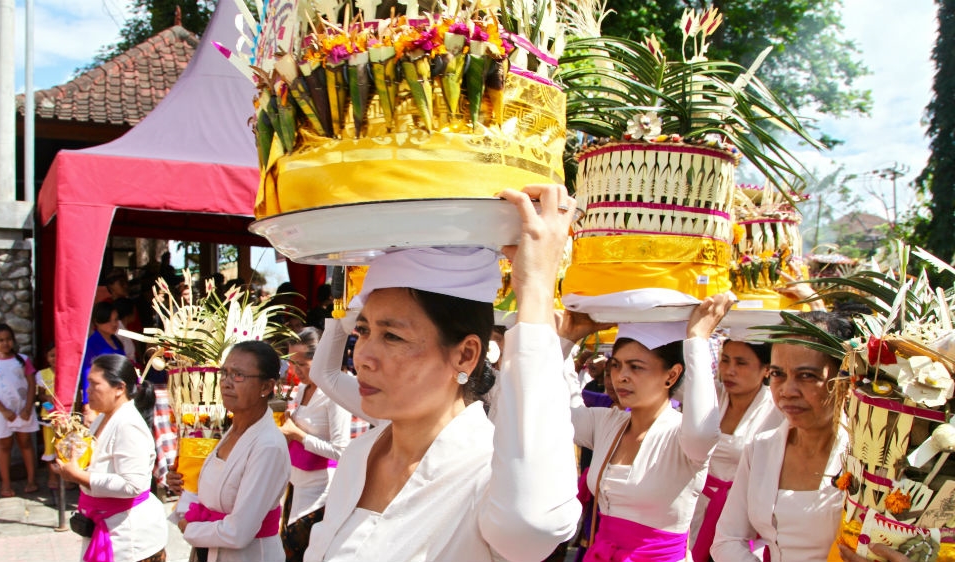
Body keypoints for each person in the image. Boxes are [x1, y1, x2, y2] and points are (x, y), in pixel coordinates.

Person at [304, 185, 581, 561]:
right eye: (364, 330)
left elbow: (535, 523)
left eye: (393, 336)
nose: (364, 356)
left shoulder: (487, 471)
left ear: (466, 355)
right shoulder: (360, 454)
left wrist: (536, 291)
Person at [564, 293, 733, 562]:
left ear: (672, 375)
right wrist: (566, 341)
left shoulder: (683, 436)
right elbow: (545, 409)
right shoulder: (607, 422)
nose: (622, 376)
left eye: (636, 367)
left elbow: (703, 429)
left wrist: (697, 340)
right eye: (616, 365)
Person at [711, 311, 853, 562]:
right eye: (778, 374)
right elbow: (727, 539)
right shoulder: (761, 449)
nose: (788, 391)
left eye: (807, 376)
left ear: (843, 378)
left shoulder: (863, 458)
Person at [169, 340, 291, 562]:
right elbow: (216, 492)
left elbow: (239, 532)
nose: (226, 382)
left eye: (238, 375)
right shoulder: (234, 430)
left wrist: (188, 527)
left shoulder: (268, 446)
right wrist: (184, 485)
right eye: (224, 373)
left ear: (266, 387)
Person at [55, 354, 168, 562]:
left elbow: (133, 484)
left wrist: (80, 476)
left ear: (119, 388)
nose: (87, 391)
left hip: (131, 538)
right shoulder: (101, 419)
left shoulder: (129, 425)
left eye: (94, 384)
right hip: (108, 526)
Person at [688, 338, 782, 561]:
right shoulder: (709, 397)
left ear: (766, 370)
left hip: (742, 514)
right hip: (696, 502)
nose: (729, 371)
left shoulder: (777, 410)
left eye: (741, 363)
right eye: (725, 360)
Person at [279, 328, 351, 561]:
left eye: (302, 363)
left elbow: (341, 451)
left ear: (321, 358)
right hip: (296, 484)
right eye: (292, 363)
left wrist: (298, 434)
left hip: (320, 492)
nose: (296, 370)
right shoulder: (302, 389)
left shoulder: (334, 394)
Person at [0, 323, 39, 497]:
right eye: (0, 340)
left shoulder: (22, 360)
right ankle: (6, 484)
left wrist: (28, 408)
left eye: (8, 339)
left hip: (23, 409)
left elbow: (31, 384)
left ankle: (31, 480)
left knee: (26, 443)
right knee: (4, 445)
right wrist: (4, 411)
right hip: (2, 413)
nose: (5, 343)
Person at [81, 302, 127, 409]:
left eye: (115, 320)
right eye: (109, 320)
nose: (114, 324)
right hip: (101, 397)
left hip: (118, 396)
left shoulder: (116, 341)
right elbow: (87, 372)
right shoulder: (92, 344)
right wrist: (87, 402)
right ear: (97, 321)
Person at [36, 343, 60, 489]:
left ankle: (66, 477)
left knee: (64, 447)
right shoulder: (42, 374)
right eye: (52, 355)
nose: (55, 359)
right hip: (49, 416)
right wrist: (49, 402)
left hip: (65, 417)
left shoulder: (68, 372)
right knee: (50, 447)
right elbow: (40, 395)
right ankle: (52, 477)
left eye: (58, 355)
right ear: (46, 357)